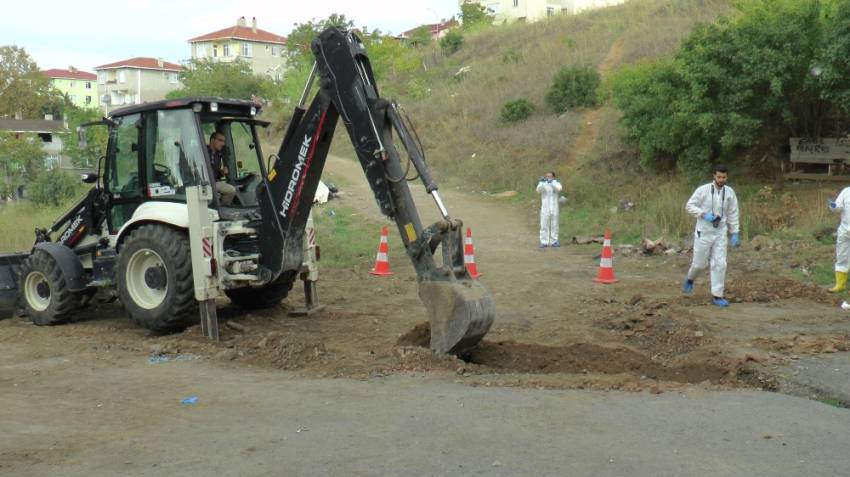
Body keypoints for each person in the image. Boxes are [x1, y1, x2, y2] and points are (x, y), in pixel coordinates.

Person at [682, 165, 740, 307]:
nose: (721, 179)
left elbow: (733, 212)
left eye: (724, 177)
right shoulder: (703, 190)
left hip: (720, 232)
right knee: (700, 264)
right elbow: (689, 206)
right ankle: (690, 278)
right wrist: (704, 215)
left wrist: (735, 232)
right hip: (704, 231)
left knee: (720, 264)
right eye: (719, 177)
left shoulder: (730, 192)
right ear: (714, 176)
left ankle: (717, 295)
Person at [827, 187, 850, 293]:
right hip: (844, 230)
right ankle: (840, 285)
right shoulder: (846, 191)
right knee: (841, 256)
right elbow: (838, 208)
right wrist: (833, 206)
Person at [207, 131, 236, 206]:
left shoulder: (218, 154)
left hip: (214, 182)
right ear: (213, 140)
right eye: (220, 140)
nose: (223, 144)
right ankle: (223, 208)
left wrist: (221, 173)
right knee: (231, 190)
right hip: (206, 182)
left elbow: (215, 173)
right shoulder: (204, 151)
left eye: (224, 141)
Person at [536, 171, 562, 248]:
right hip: (545, 208)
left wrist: (552, 183)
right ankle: (544, 242)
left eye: (550, 176)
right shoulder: (543, 184)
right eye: (547, 176)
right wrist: (542, 183)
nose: (548, 178)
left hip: (554, 208)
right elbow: (538, 190)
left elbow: (559, 189)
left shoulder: (557, 183)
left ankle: (554, 241)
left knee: (554, 225)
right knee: (544, 225)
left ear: (553, 177)